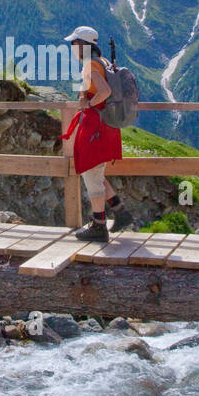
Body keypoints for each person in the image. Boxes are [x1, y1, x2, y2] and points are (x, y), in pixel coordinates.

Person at [61, 25, 133, 241]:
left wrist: (88, 103)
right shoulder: (103, 62)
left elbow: (105, 91)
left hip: (95, 126)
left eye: (74, 43)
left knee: (91, 175)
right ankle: (120, 212)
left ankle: (99, 225)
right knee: (96, 173)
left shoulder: (90, 65)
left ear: (83, 45)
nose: (72, 46)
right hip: (107, 125)